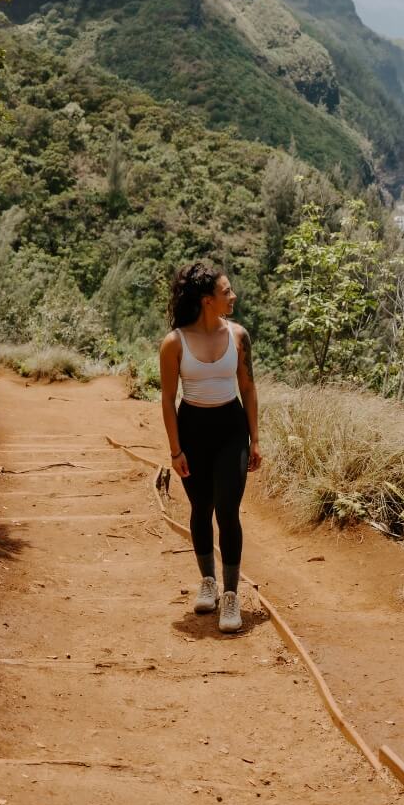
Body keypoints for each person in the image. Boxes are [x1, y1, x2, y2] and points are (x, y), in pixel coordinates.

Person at [159, 261, 261, 633]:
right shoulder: (174, 343)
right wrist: (175, 450)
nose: (233, 297)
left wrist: (255, 439)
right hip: (192, 430)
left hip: (231, 428)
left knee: (228, 510)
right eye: (226, 291)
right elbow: (169, 399)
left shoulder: (238, 336)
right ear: (207, 301)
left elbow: (248, 389)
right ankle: (208, 582)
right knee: (201, 507)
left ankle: (231, 596)